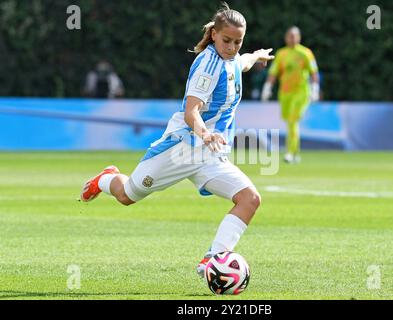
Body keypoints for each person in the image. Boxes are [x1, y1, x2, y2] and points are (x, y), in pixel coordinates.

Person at [80, 4, 274, 279]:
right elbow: (191, 110)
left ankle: (213, 259)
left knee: (250, 199)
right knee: (127, 196)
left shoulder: (231, 58)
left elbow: (240, 63)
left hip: (209, 154)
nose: (231, 47)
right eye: (227, 41)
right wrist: (205, 134)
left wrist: (255, 56)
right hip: (182, 148)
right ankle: (105, 179)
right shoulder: (207, 65)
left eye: (238, 42)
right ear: (215, 35)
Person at [261, 26, 320, 163]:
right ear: (286, 38)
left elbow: (314, 72)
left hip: (301, 92)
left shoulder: (306, 53)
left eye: (294, 36)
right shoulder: (281, 54)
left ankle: (289, 152)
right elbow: (274, 72)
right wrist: (267, 87)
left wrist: (315, 88)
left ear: (299, 38)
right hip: (285, 93)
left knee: (293, 121)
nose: (292, 39)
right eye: (289, 36)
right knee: (290, 123)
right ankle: (295, 152)